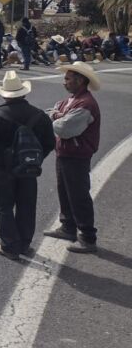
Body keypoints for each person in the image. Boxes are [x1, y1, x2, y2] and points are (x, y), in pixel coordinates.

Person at [0, 70, 55, 259]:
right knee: (27, 205)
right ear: (24, 92)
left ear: (5, 94)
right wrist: (33, 159)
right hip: (29, 168)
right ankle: (24, 244)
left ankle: (10, 245)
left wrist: (1, 163)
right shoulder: (39, 115)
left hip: (3, 169)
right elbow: (49, 143)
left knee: (4, 206)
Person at [42, 61, 102, 253]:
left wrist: (55, 116)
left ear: (80, 80)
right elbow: (53, 112)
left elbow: (65, 129)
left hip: (77, 155)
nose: (64, 82)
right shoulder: (72, 100)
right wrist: (57, 115)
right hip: (66, 153)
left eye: (68, 79)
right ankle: (68, 226)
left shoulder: (85, 103)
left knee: (78, 194)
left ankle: (87, 237)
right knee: (65, 191)